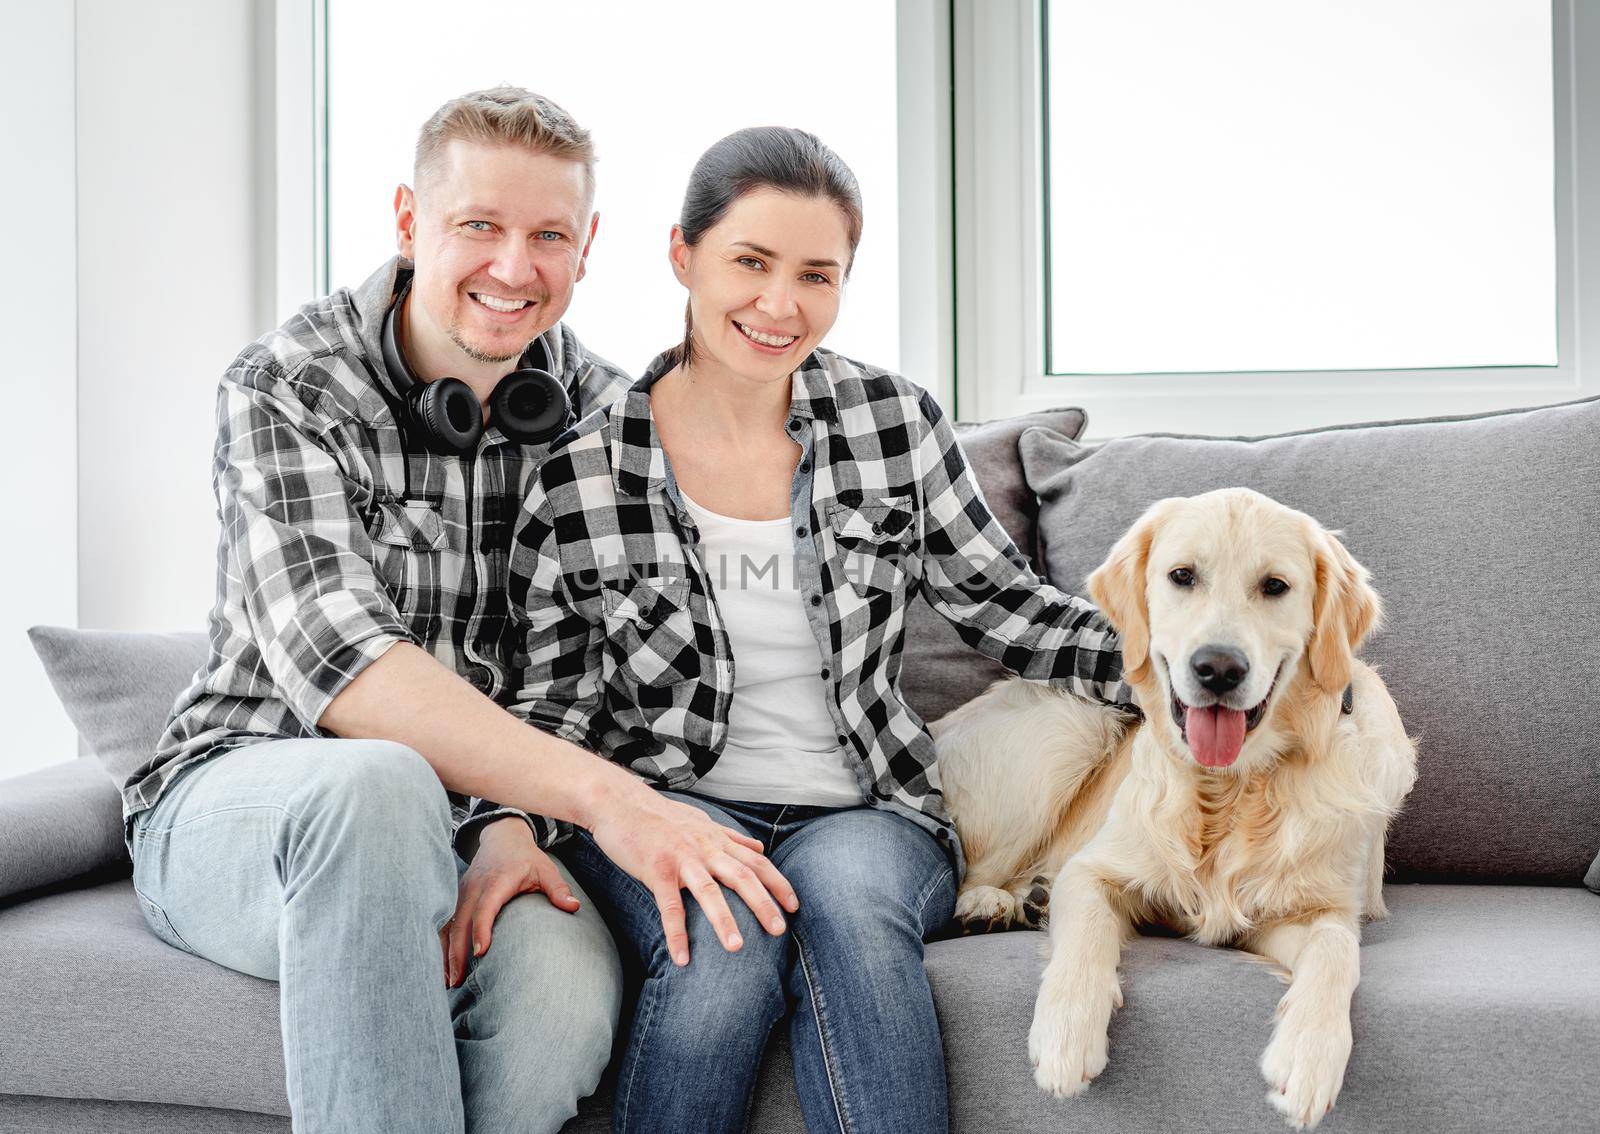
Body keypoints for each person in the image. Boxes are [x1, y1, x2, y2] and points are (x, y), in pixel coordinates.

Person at [126, 89, 796, 1134]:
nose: (513, 268)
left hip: (475, 827)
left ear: (589, 247)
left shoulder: (614, 422)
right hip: (248, 800)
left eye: (548, 236)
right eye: (478, 225)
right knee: (378, 785)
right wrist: (605, 801)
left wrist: (516, 822)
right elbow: (342, 666)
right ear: (408, 221)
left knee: (557, 1012)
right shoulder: (285, 386)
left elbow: (583, 678)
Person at [462, 126, 1137, 1134]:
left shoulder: (892, 423)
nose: (781, 305)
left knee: (851, 915)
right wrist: (505, 823)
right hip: (671, 802)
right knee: (721, 951)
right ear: (682, 257)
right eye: (750, 263)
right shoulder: (581, 472)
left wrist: (1186, 673)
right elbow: (554, 701)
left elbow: (1008, 607)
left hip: (863, 807)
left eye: (817, 276)